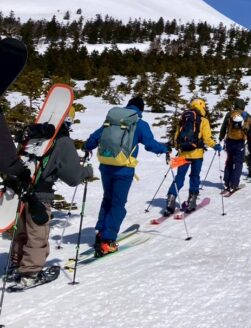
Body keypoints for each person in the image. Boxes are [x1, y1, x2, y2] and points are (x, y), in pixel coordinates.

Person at [9, 108, 93, 287]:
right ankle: (30, 273)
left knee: (21, 231)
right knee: (37, 234)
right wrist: (87, 171)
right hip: (40, 195)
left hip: (20, 190)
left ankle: (16, 265)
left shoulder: (35, 133)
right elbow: (73, 177)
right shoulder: (62, 140)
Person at [84, 96, 168, 256]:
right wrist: (164, 149)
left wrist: (87, 147)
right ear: (141, 109)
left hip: (105, 166)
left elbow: (95, 137)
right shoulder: (139, 123)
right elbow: (150, 144)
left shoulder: (113, 120)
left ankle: (101, 233)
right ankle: (107, 241)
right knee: (118, 204)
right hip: (123, 170)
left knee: (107, 199)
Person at [163, 98, 221, 216]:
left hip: (183, 153)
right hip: (197, 154)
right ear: (202, 107)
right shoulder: (204, 120)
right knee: (194, 176)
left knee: (179, 177)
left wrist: (177, 147)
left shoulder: (183, 118)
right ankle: (191, 201)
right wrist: (215, 146)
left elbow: (176, 136)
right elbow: (207, 138)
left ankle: (170, 199)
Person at [219, 98, 249, 193]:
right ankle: (234, 184)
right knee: (238, 163)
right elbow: (250, 128)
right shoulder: (245, 114)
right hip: (239, 142)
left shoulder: (229, 114)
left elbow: (224, 127)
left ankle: (227, 182)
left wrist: (221, 137)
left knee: (229, 162)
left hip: (229, 141)